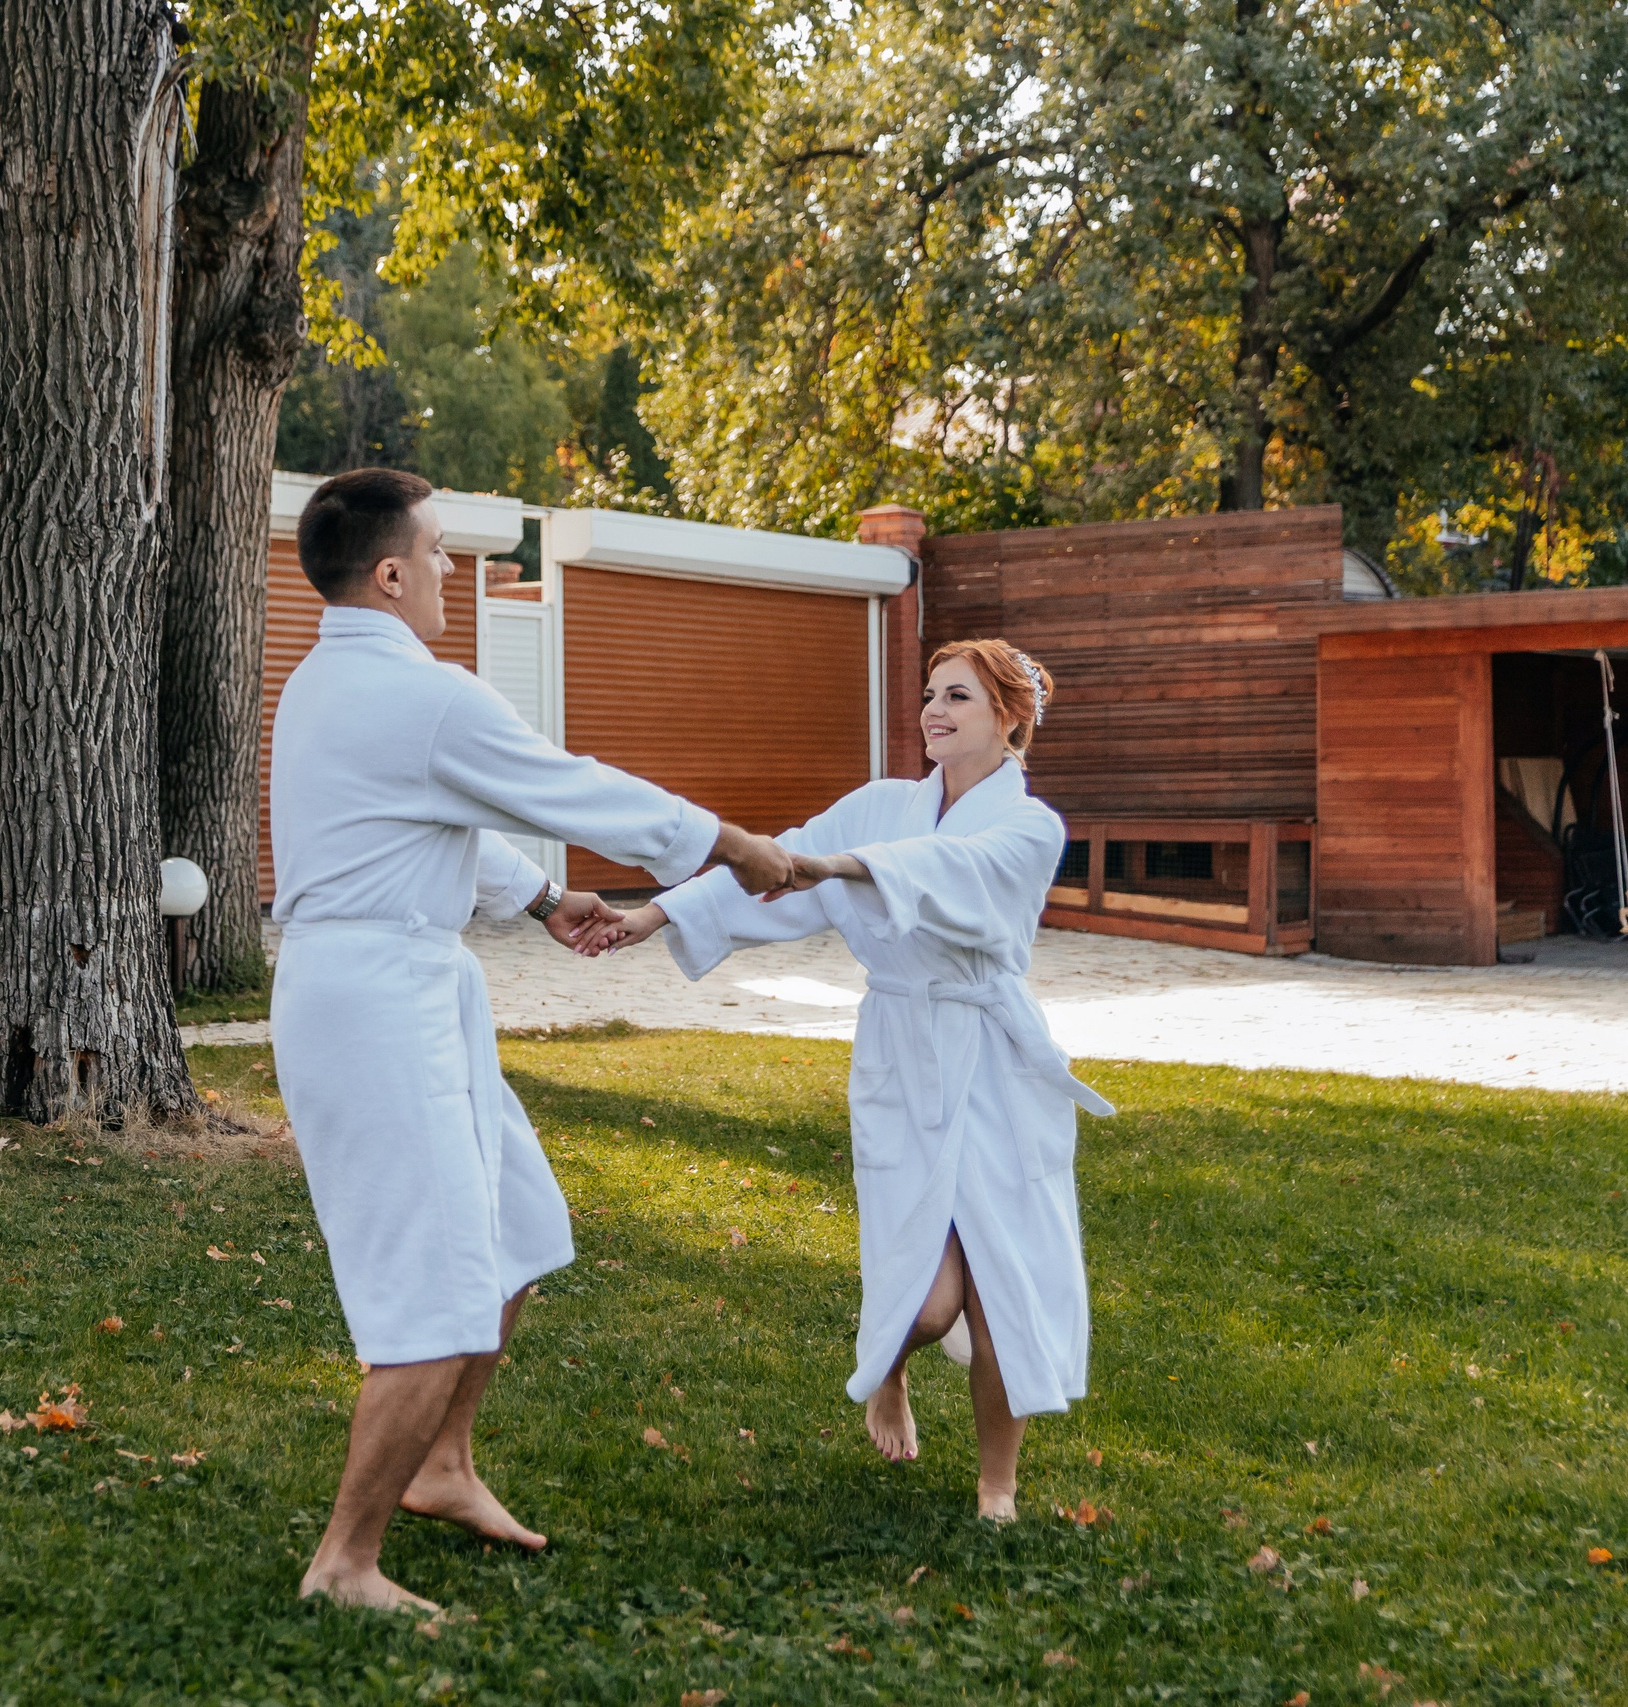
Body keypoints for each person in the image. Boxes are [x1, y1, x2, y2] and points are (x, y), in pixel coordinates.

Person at [270, 467, 803, 1610]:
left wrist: (537, 899)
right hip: (373, 1003)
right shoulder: (422, 692)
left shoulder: (332, 679)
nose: (455, 568)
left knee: (516, 1228)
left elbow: (428, 805)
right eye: (441, 547)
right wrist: (731, 844)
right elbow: (570, 785)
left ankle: (443, 1467)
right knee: (437, 1289)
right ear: (393, 570)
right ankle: (343, 1563)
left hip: (406, 981)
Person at [583, 640, 1112, 1521]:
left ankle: (997, 1484)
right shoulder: (883, 805)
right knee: (930, 1300)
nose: (934, 711)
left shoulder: (1030, 825)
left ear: (1010, 719)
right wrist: (653, 912)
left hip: (992, 1064)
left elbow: (951, 875)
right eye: (931, 695)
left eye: (960, 698)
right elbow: (782, 861)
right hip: (903, 1053)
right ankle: (890, 1370)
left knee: (999, 1287)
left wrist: (841, 868)